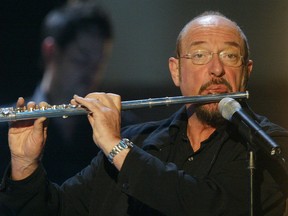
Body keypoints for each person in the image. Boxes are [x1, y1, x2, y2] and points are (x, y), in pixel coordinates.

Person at [0, 11, 288, 216]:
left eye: (230, 56)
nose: (216, 70)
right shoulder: (137, 139)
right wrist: (25, 164)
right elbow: (59, 209)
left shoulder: (269, 144)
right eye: (199, 55)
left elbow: (206, 205)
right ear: (176, 71)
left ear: (246, 71)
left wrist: (116, 147)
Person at [0, 2, 114, 184]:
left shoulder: (116, 129)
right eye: (82, 59)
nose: (91, 73)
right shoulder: (6, 125)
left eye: (99, 62)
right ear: (50, 51)